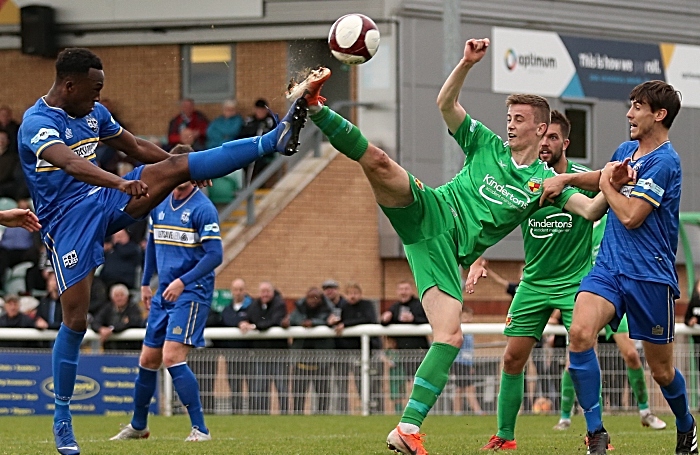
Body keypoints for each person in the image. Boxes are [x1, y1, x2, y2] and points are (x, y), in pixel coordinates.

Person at [287, 38, 610, 454]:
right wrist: (465, 63)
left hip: (442, 252)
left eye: (518, 119)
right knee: (380, 161)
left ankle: (407, 429)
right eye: (508, 117)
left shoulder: (543, 183)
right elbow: (445, 104)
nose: (509, 124)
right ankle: (314, 107)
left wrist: (611, 182)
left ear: (541, 128)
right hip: (431, 211)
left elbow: (589, 210)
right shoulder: (486, 144)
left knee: (450, 337)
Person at [18, 47, 308, 455]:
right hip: (67, 224)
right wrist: (119, 184)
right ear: (69, 85)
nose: (99, 98)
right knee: (76, 320)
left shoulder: (93, 114)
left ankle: (270, 141)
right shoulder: (37, 122)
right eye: (94, 89)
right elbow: (69, 163)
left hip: (101, 199)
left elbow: (135, 146)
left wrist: (182, 171)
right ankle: (62, 419)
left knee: (177, 164)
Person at [471, 111, 661, 449]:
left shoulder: (578, 178)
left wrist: (609, 182)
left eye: (553, 138)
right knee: (512, 358)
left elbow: (593, 208)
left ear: (565, 143)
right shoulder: (525, 179)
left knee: (581, 354)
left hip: (576, 283)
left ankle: (596, 432)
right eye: (542, 137)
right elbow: (493, 219)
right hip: (533, 283)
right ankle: (504, 435)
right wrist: (476, 256)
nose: (545, 144)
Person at [540, 80, 692, 454]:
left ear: (659, 114)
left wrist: (608, 184)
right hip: (609, 269)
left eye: (637, 107)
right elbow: (602, 177)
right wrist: (568, 178)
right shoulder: (628, 150)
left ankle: (686, 424)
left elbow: (630, 216)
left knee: (661, 371)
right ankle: (596, 433)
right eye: (630, 105)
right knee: (578, 333)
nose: (629, 113)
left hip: (650, 277)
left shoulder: (665, 162)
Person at [110, 146, 224, 442]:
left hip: (191, 292)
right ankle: (138, 426)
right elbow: (152, 242)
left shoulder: (203, 208)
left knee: (172, 357)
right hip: (164, 293)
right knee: (148, 358)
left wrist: (182, 282)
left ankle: (200, 429)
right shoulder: (159, 203)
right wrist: (146, 283)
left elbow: (214, 255)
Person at [554, 215, 666, 432]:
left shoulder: (612, 218)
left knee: (632, 355)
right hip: (588, 296)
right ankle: (565, 416)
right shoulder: (578, 222)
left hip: (613, 295)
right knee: (576, 358)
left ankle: (645, 412)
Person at [328, 281, 382, 413]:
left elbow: (368, 319)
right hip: (347, 352)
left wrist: (345, 324)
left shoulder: (367, 305)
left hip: (367, 351)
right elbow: (337, 323)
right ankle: (347, 411)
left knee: (369, 384)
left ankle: (374, 410)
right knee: (349, 384)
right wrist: (330, 322)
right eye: (350, 293)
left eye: (355, 293)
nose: (353, 296)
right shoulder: (343, 308)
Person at [242, 281, 290, 414]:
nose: (265, 294)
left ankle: (285, 413)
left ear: (272, 292)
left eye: (267, 291)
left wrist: (255, 326)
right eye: (262, 291)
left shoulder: (279, 304)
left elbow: (273, 321)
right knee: (260, 386)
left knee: (281, 386)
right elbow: (248, 317)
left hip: (278, 353)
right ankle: (262, 414)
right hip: (260, 353)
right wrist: (244, 323)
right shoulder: (255, 304)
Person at [206, 277, 254, 413]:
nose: (238, 292)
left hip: (249, 353)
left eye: (240, 289)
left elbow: (254, 317)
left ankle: (254, 413)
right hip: (232, 354)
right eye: (235, 290)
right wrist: (240, 322)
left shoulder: (252, 306)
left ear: (245, 290)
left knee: (254, 385)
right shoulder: (227, 308)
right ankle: (236, 412)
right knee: (234, 385)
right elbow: (227, 320)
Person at [290, 287, 335, 414]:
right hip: (301, 359)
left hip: (321, 360)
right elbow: (292, 319)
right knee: (298, 394)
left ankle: (322, 416)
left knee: (323, 394)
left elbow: (329, 320)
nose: (313, 300)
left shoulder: (328, 309)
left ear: (321, 299)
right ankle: (297, 416)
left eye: (316, 297)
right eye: (310, 297)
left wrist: (313, 323)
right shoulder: (299, 308)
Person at [380, 280, 430, 386]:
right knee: (410, 382)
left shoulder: (419, 304)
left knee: (422, 381)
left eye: (406, 289)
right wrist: (385, 319)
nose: (403, 292)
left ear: (412, 290)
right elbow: (384, 323)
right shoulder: (395, 307)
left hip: (419, 351)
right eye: (401, 289)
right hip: (403, 352)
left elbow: (428, 320)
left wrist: (413, 319)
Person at [91, 283, 144, 350]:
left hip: (130, 349)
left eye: (122, 295)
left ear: (127, 296)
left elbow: (133, 322)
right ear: (112, 298)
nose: (119, 298)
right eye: (116, 296)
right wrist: (101, 329)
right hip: (110, 350)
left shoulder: (133, 308)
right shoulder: (107, 308)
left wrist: (111, 329)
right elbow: (95, 321)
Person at [451, 305, 482, 415]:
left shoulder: (470, 332)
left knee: (460, 388)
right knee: (469, 388)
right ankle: (477, 411)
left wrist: (471, 365)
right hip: (459, 362)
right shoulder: (460, 331)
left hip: (466, 363)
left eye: (470, 316)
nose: (468, 319)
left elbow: (469, 351)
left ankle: (457, 411)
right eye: (465, 317)